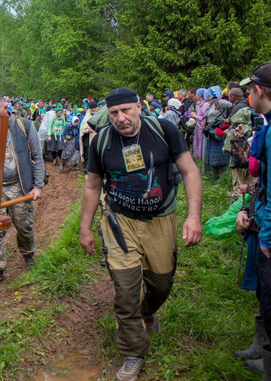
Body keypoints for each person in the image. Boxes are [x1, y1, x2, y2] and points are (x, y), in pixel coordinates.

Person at [80, 87, 202, 381]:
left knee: (161, 282)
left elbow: (190, 171)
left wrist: (194, 216)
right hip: (120, 221)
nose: (121, 118)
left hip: (160, 218)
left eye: (126, 111)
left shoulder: (164, 130)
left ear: (139, 106)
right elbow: (93, 186)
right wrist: (84, 228)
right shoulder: (102, 141)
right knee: (125, 289)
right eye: (113, 113)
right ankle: (133, 352)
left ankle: (147, 311)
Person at [0, 94, 45, 285]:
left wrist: (37, 186)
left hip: (19, 186)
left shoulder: (23, 126)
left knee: (23, 225)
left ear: (4, 108)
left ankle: (28, 255)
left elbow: (37, 156)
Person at [237, 62, 271, 378]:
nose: (248, 94)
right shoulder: (267, 125)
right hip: (260, 215)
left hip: (268, 230)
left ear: (258, 90)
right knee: (264, 293)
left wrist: (267, 237)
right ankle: (261, 347)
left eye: (249, 89)